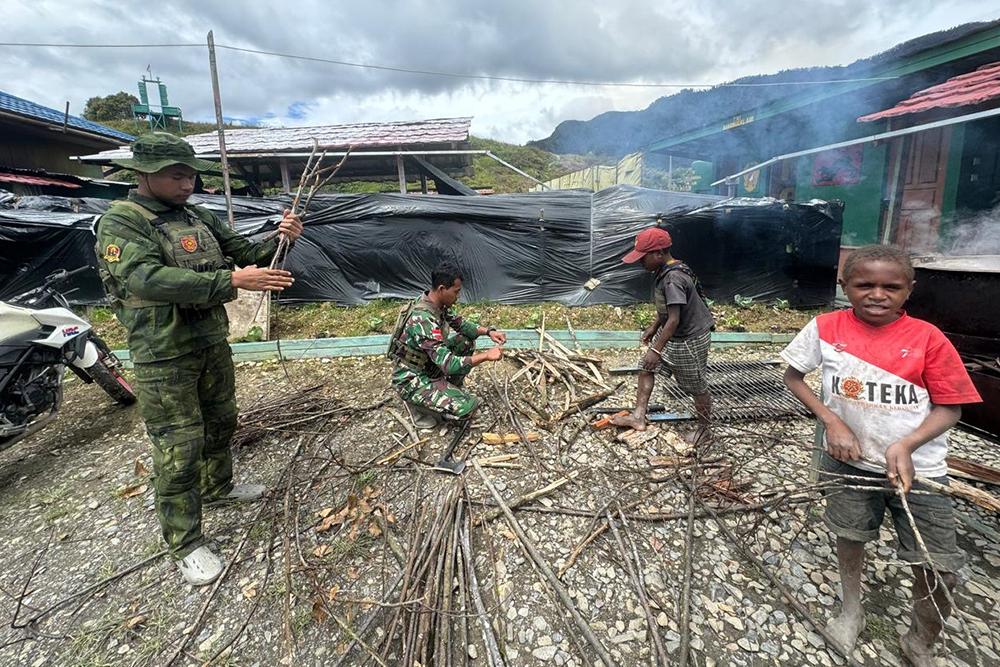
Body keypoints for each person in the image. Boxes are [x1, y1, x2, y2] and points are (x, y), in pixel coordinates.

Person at [95, 132, 304, 586]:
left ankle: (218, 488)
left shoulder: (197, 216)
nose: (187, 182)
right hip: (162, 353)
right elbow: (146, 279)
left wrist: (280, 238)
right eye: (177, 174)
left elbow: (248, 256)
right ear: (144, 174)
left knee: (221, 420)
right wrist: (232, 282)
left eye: (190, 173)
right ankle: (185, 542)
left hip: (209, 341)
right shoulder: (122, 222)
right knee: (178, 446)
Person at [781, 244, 981, 665]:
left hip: (918, 469)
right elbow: (794, 377)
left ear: (909, 289)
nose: (877, 294)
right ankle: (851, 610)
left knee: (938, 561)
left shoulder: (928, 338)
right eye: (863, 284)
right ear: (844, 286)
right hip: (850, 461)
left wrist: (906, 444)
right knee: (850, 535)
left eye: (891, 286)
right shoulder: (825, 326)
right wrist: (831, 420)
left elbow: (950, 406)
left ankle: (920, 639)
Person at [611, 227, 715, 439]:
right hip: (674, 333)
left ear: (658, 253)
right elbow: (671, 310)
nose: (640, 263)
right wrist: (654, 326)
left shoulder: (672, 279)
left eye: (643, 258)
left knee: (697, 386)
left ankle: (705, 430)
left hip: (689, 339)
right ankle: (638, 417)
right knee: (645, 368)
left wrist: (655, 350)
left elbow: (675, 318)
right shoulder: (668, 269)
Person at [388, 262, 506, 429]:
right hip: (411, 378)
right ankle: (416, 405)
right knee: (467, 407)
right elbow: (449, 364)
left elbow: (462, 325)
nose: (458, 296)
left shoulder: (437, 303)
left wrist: (489, 332)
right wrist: (486, 356)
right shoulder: (423, 319)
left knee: (465, 340)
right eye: (456, 292)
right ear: (442, 289)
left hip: (428, 364)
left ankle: (447, 390)